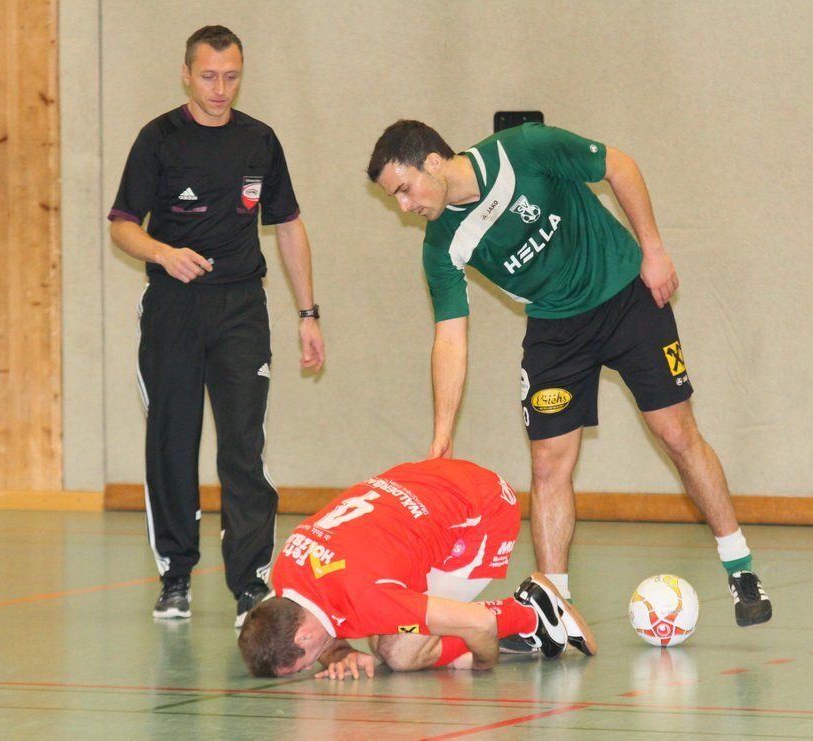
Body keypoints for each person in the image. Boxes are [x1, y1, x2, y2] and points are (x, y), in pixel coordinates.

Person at [365, 120, 771, 628]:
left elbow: (619, 166)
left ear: (431, 162)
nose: (404, 206)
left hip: (626, 298)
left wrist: (653, 250)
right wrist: (442, 432)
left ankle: (739, 566)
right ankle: (554, 610)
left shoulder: (525, 149)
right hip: (555, 330)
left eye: (404, 189)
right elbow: (449, 337)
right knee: (547, 464)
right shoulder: (442, 244)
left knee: (676, 433)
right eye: (395, 198)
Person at [108, 25, 325, 627]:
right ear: (187, 74)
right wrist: (161, 253)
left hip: (241, 309)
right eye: (208, 76)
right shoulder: (158, 138)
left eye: (231, 76)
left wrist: (308, 313)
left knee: (243, 446)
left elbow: (288, 225)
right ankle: (175, 576)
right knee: (172, 441)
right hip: (173, 309)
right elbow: (122, 224)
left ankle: (250, 581)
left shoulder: (260, 140)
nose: (220, 88)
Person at [238, 458, 596, 678]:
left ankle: (530, 612)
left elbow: (480, 624)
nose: (312, 666)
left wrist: (481, 662)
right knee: (385, 634)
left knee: (399, 653)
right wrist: (340, 651)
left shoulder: (368, 599)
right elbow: (329, 615)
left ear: (303, 637)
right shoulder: (286, 573)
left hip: (481, 511)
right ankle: (480, 630)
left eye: (304, 664)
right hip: (425, 482)